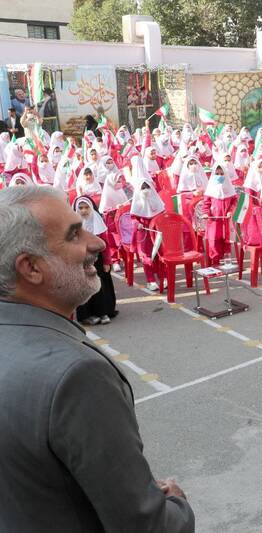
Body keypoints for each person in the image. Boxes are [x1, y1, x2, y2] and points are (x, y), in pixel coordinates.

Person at [0, 186, 194, 532]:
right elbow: (145, 526)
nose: (98, 242)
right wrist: (177, 505)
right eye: (74, 234)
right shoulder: (76, 375)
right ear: (30, 268)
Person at [73, 196, 117, 325]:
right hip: (80, 260)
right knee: (84, 287)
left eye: (86, 207)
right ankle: (86, 315)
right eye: (81, 208)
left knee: (100, 286)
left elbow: (105, 244)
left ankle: (103, 312)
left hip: (98, 260)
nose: (84, 211)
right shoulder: (72, 225)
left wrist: (107, 261)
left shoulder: (98, 222)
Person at [130, 179, 165, 291]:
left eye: (147, 187)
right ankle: (151, 280)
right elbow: (133, 218)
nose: (146, 190)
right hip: (144, 232)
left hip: (156, 232)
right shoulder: (137, 202)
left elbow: (163, 213)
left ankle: (163, 278)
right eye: (143, 188)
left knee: (160, 254)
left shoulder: (156, 200)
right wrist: (138, 224)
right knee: (147, 256)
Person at [201, 163, 237, 265]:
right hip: (214, 221)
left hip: (226, 220)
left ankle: (226, 261)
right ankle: (215, 262)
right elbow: (206, 203)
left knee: (226, 240)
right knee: (214, 241)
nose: (219, 176)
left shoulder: (230, 188)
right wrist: (206, 213)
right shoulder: (210, 189)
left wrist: (231, 211)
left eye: (222, 174)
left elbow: (234, 202)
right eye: (217, 174)